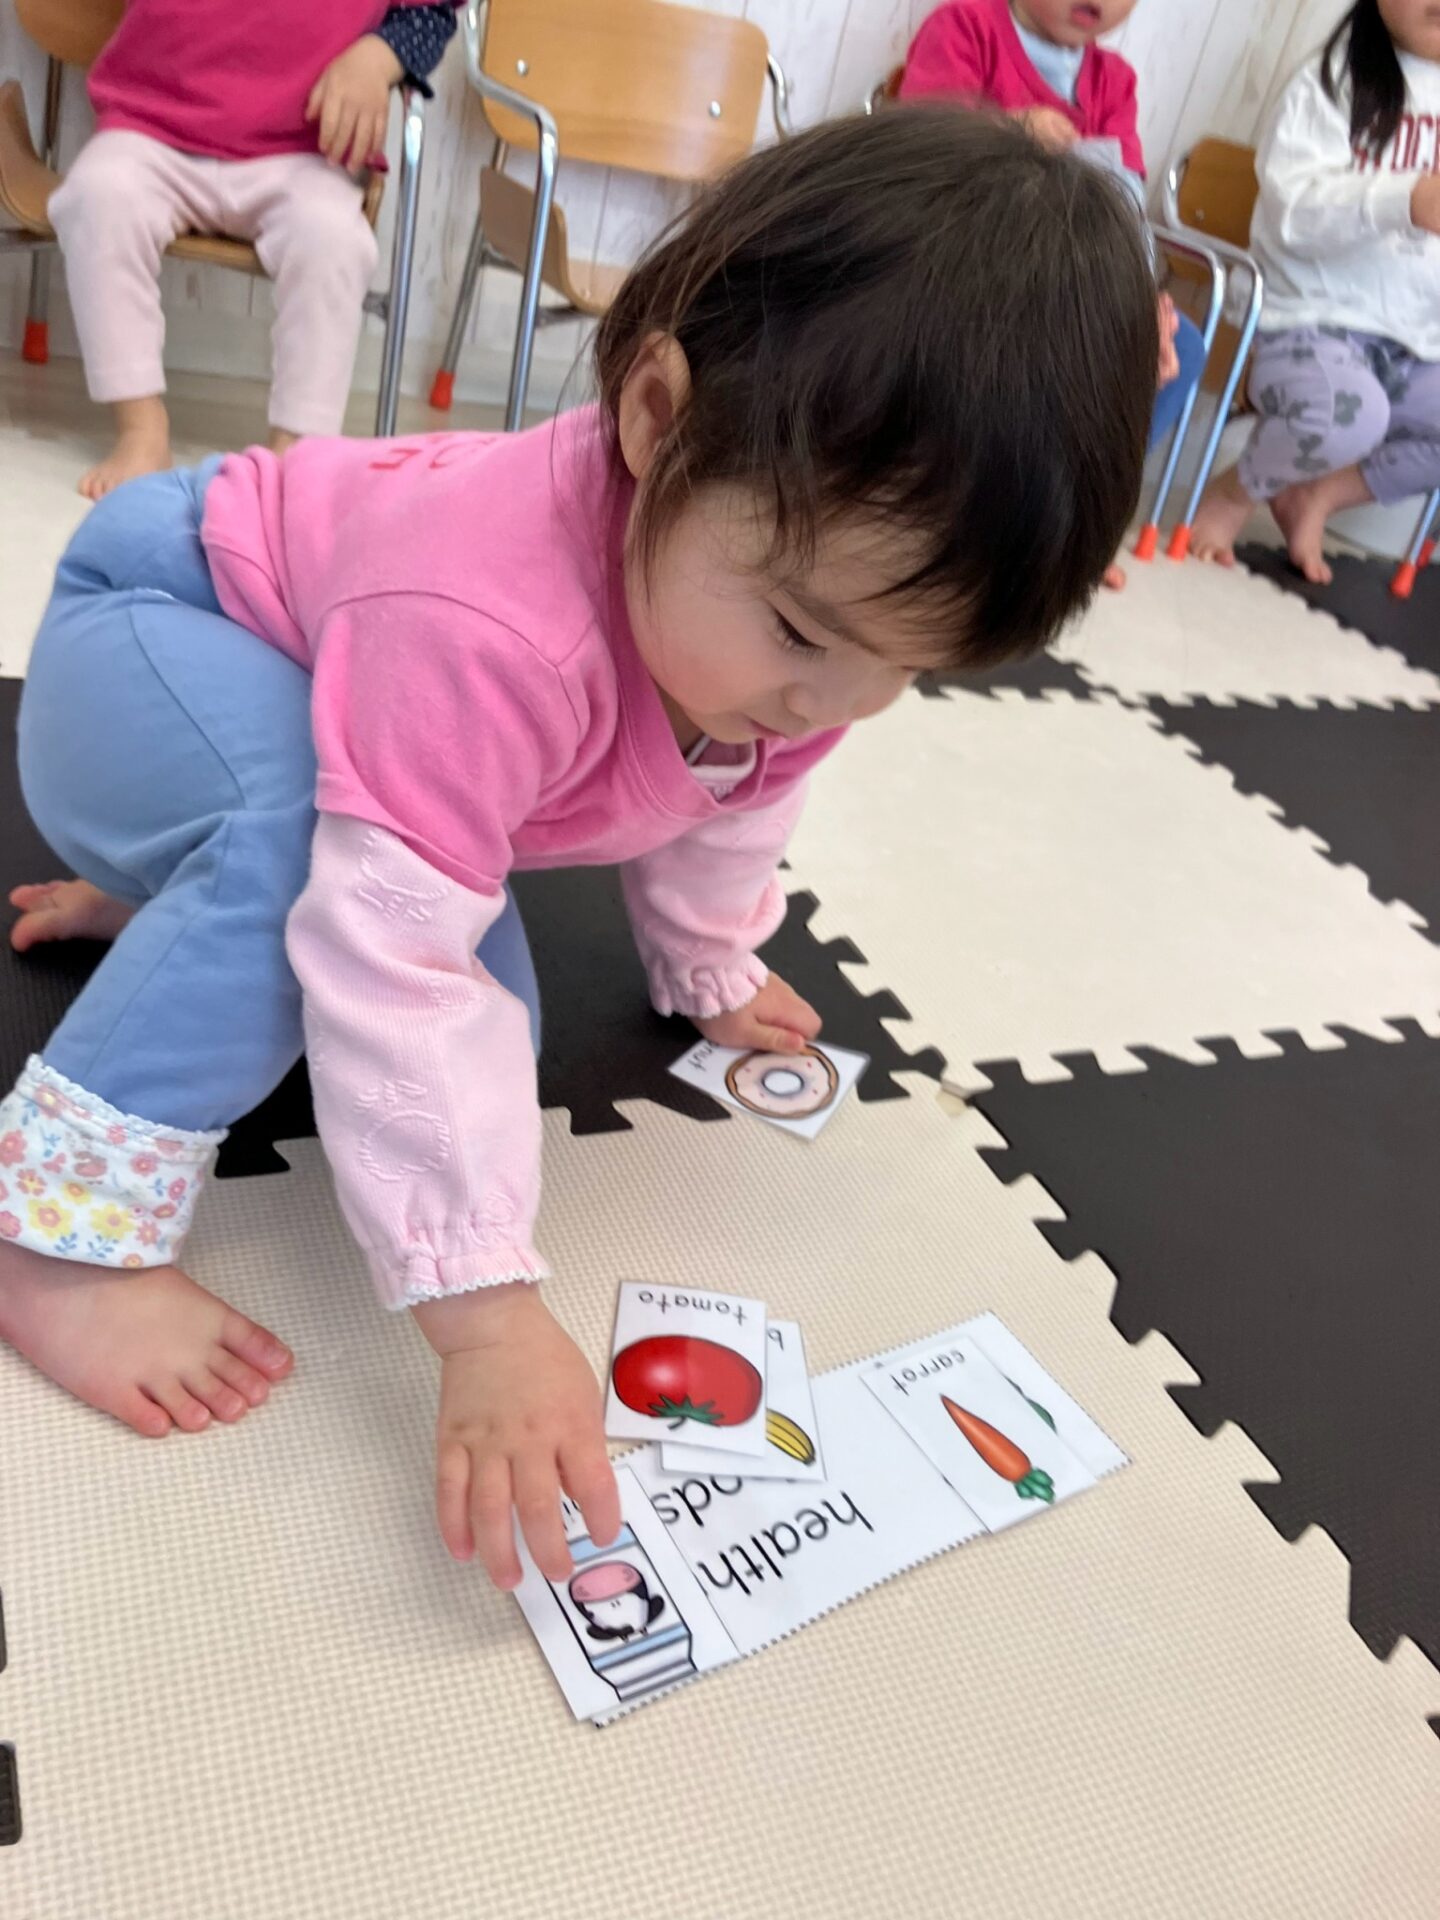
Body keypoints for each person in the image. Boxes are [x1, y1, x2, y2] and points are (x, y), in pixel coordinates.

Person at [0, 112, 1158, 1592]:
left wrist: (708, 963)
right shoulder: (489, 625)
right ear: (657, 419)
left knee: (502, 1026)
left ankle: (181, 897)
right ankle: (53, 1240)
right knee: (315, 877)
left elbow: (735, 797)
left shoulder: (802, 643)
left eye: (905, 667)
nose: (835, 705)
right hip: (149, 634)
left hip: (299, 691)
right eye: (804, 632)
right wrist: (483, 1316)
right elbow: (392, 954)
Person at [47, 0, 458, 502]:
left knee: (333, 241)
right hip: (155, 126)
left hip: (305, 149)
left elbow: (430, 14)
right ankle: (140, 429)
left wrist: (379, 56)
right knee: (96, 198)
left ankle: (295, 451)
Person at [899, 0, 1208, 588]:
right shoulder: (967, 26)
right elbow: (915, 145)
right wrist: (1010, 129)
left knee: (1180, 347)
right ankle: (972, 516)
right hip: (970, 271)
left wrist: (1144, 299)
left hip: (1072, 286)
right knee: (1030, 342)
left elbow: (1124, 206)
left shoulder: (1114, 82)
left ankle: (1075, 529)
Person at [1191, 0, 1440, 582]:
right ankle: (1235, 491)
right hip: (1309, 322)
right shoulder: (1331, 82)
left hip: (1416, 342)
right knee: (1349, 412)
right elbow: (1290, 214)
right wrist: (1402, 200)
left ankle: (1316, 495)